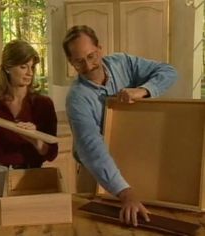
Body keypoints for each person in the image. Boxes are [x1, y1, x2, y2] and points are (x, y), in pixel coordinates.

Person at [63, 25, 178, 226]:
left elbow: (169, 71)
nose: (89, 66)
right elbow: (92, 149)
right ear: (71, 62)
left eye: (91, 56)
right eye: (80, 61)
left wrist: (143, 90)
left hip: (133, 166)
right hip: (96, 174)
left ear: (100, 48)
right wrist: (125, 193)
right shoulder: (77, 98)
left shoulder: (122, 63)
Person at [0, 39, 58, 198]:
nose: (29, 72)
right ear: (8, 68)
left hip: (32, 175)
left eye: (32, 67)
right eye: (23, 67)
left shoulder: (43, 105)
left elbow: (52, 153)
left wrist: (34, 139)